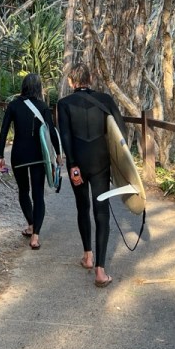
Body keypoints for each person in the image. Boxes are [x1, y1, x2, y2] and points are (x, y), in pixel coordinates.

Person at [57, 61, 124, 288]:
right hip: (100, 163)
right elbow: (121, 134)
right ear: (91, 79)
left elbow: (65, 136)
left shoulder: (64, 103)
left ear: (70, 82)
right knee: (101, 211)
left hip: (77, 164)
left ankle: (88, 256)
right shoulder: (105, 101)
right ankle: (101, 272)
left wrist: (73, 165)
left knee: (82, 208)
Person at [0, 73, 60, 251]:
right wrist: (57, 154)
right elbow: (52, 132)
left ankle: (31, 224)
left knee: (24, 191)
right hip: (39, 156)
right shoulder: (42, 106)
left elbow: (3, 131)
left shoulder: (13, 105)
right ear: (38, 88)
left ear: (23, 86)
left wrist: (0, 155)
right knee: (38, 194)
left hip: (19, 155)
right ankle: (35, 237)